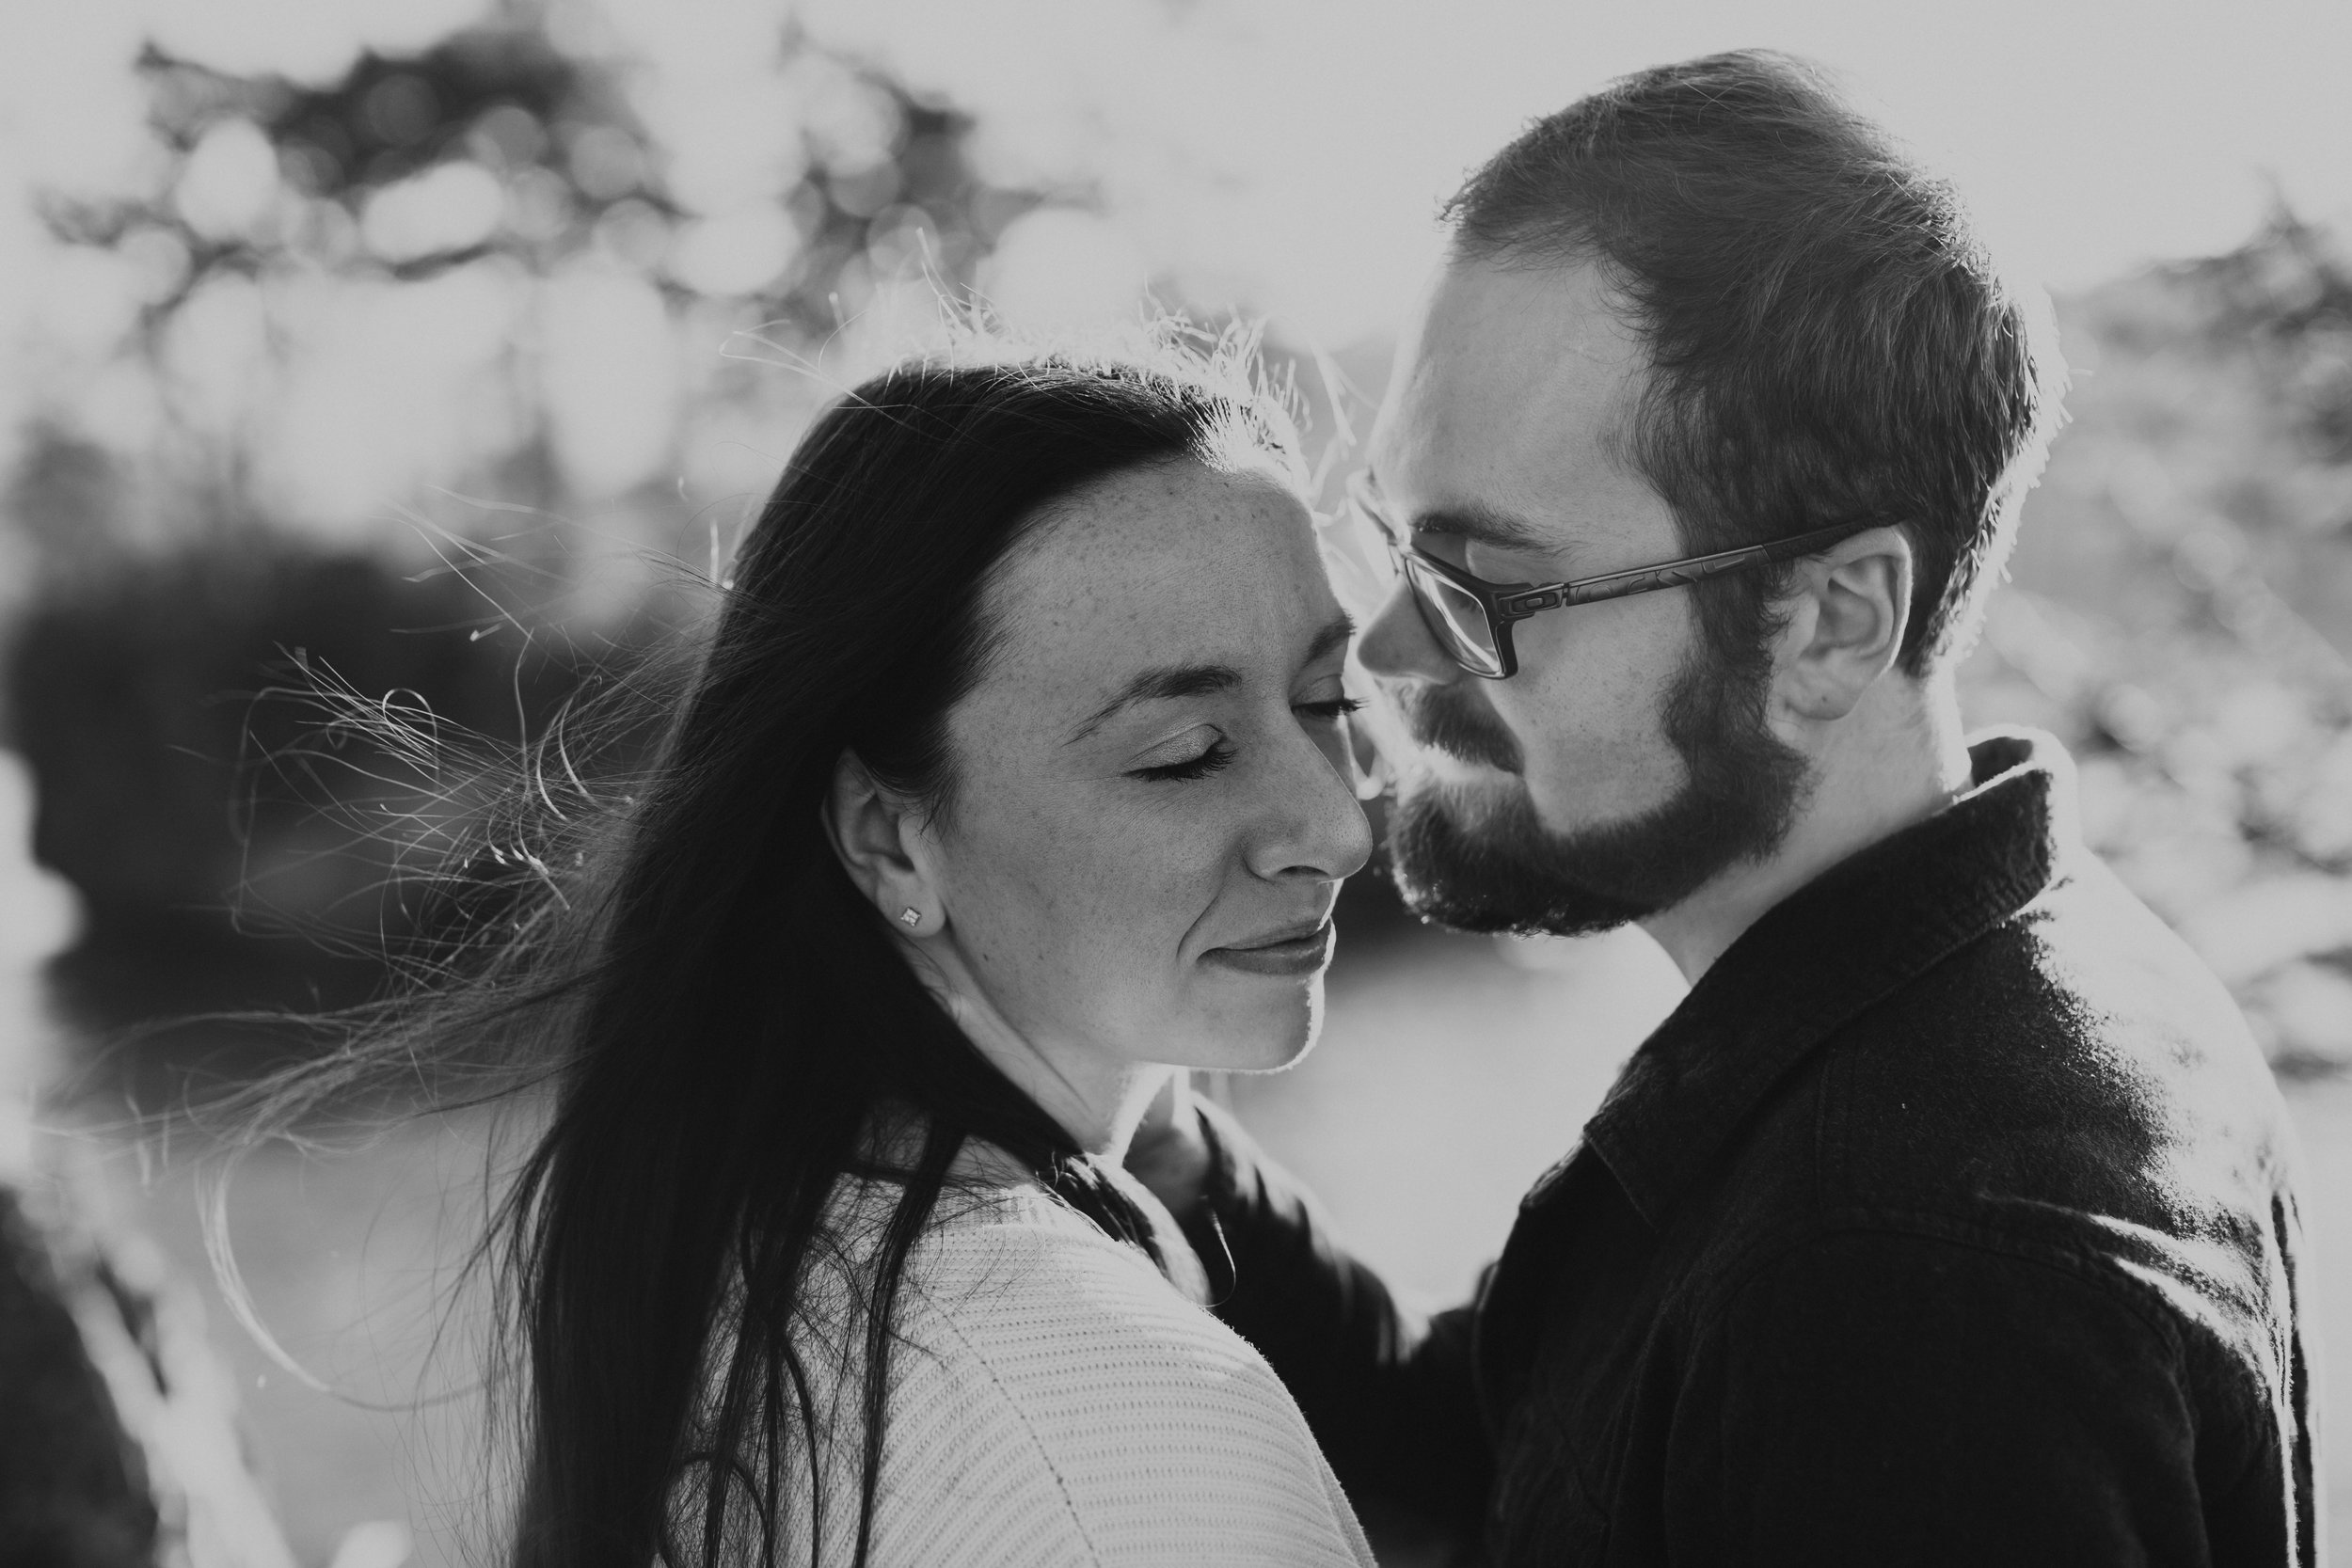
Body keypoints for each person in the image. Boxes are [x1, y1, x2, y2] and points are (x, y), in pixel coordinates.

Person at [1130, 50, 2319, 1565]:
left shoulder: (1901, 1287)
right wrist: (1152, 1128)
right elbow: (1513, 1452)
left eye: (1483, 585)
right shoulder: (2001, 986)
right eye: (1396, 548)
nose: (1389, 652)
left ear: (1829, 622)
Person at [235, 341, 1378, 1567]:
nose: (1341, 824)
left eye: (1328, 701)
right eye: (1189, 751)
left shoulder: (754, 1243)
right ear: (891, 839)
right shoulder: (1133, 1439)